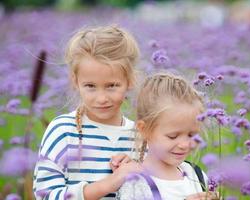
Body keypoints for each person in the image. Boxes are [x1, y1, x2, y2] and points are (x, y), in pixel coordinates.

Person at [33, 25, 142, 200]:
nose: (101, 98)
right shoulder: (63, 131)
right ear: (75, 81)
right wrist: (110, 183)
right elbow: (45, 195)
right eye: (90, 86)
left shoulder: (140, 137)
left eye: (112, 86)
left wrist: (138, 175)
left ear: (129, 81)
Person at [117, 73, 219, 200]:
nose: (184, 145)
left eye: (191, 135)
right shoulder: (137, 183)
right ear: (144, 130)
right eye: (173, 136)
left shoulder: (196, 175)